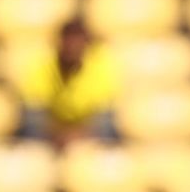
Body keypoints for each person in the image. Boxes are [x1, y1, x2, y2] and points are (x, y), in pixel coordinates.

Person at [17, 18, 120, 149]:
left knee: (108, 125)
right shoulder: (43, 64)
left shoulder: (102, 66)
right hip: (52, 131)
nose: (72, 47)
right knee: (30, 124)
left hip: (88, 131)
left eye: (77, 42)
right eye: (68, 41)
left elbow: (103, 115)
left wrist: (78, 135)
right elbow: (35, 109)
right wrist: (59, 134)